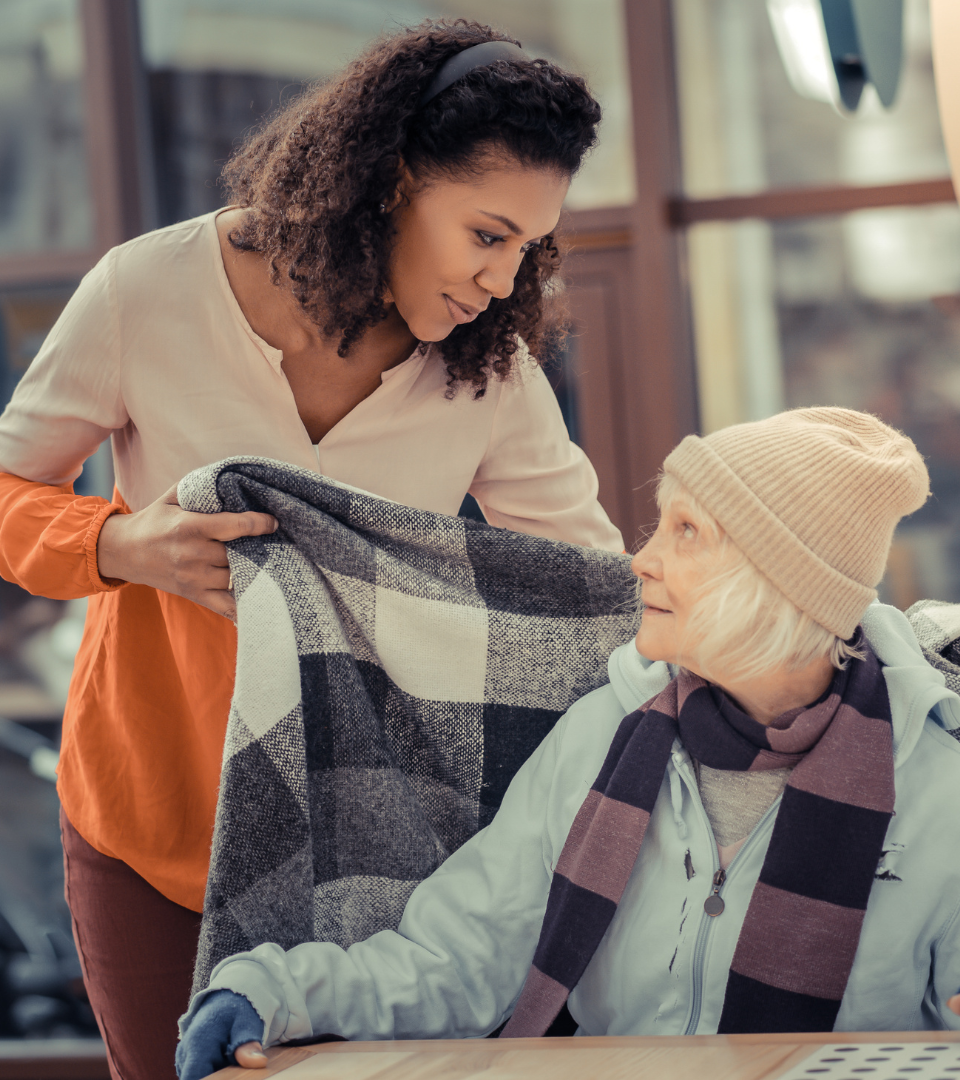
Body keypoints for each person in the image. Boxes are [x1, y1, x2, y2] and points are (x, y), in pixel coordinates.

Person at [0, 21, 622, 1080]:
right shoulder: (144, 292)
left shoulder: (489, 369)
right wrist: (117, 541)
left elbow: (588, 586)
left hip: (369, 848)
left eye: (527, 247)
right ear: (392, 179)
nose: (501, 277)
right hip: (148, 820)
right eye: (486, 233)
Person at [176, 407, 960, 1080]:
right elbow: (459, 960)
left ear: (782, 581)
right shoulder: (602, 736)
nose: (644, 558)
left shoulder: (939, 785)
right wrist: (270, 992)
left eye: (688, 531)